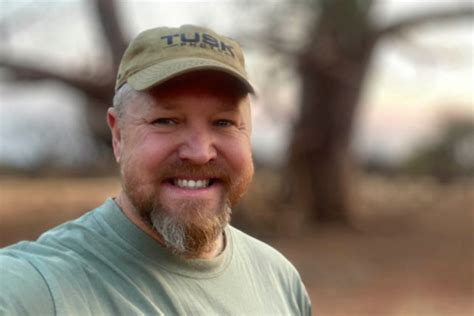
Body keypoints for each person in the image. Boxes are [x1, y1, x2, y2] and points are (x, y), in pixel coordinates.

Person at [0, 25, 312, 315]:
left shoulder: (279, 280)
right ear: (118, 135)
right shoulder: (36, 287)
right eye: (166, 121)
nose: (200, 152)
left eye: (224, 123)